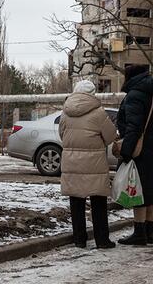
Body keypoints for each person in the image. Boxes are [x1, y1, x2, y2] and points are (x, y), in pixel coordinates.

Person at [59, 80, 117, 249]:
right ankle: (102, 240)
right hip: (94, 164)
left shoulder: (65, 112)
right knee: (98, 202)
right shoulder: (99, 113)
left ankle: (79, 239)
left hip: (71, 163)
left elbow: (62, 135)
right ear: (92, 93)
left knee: (76, 202)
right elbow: (110, 136)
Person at [114, 64, 153, 246]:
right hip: (152, 148)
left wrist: (126, 152)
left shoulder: (135, 95)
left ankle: (139, 233)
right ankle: (149, 233)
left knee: (139, 191)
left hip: (139, 150)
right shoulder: (152, 94)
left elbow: (134, 127)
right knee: (150, 191)